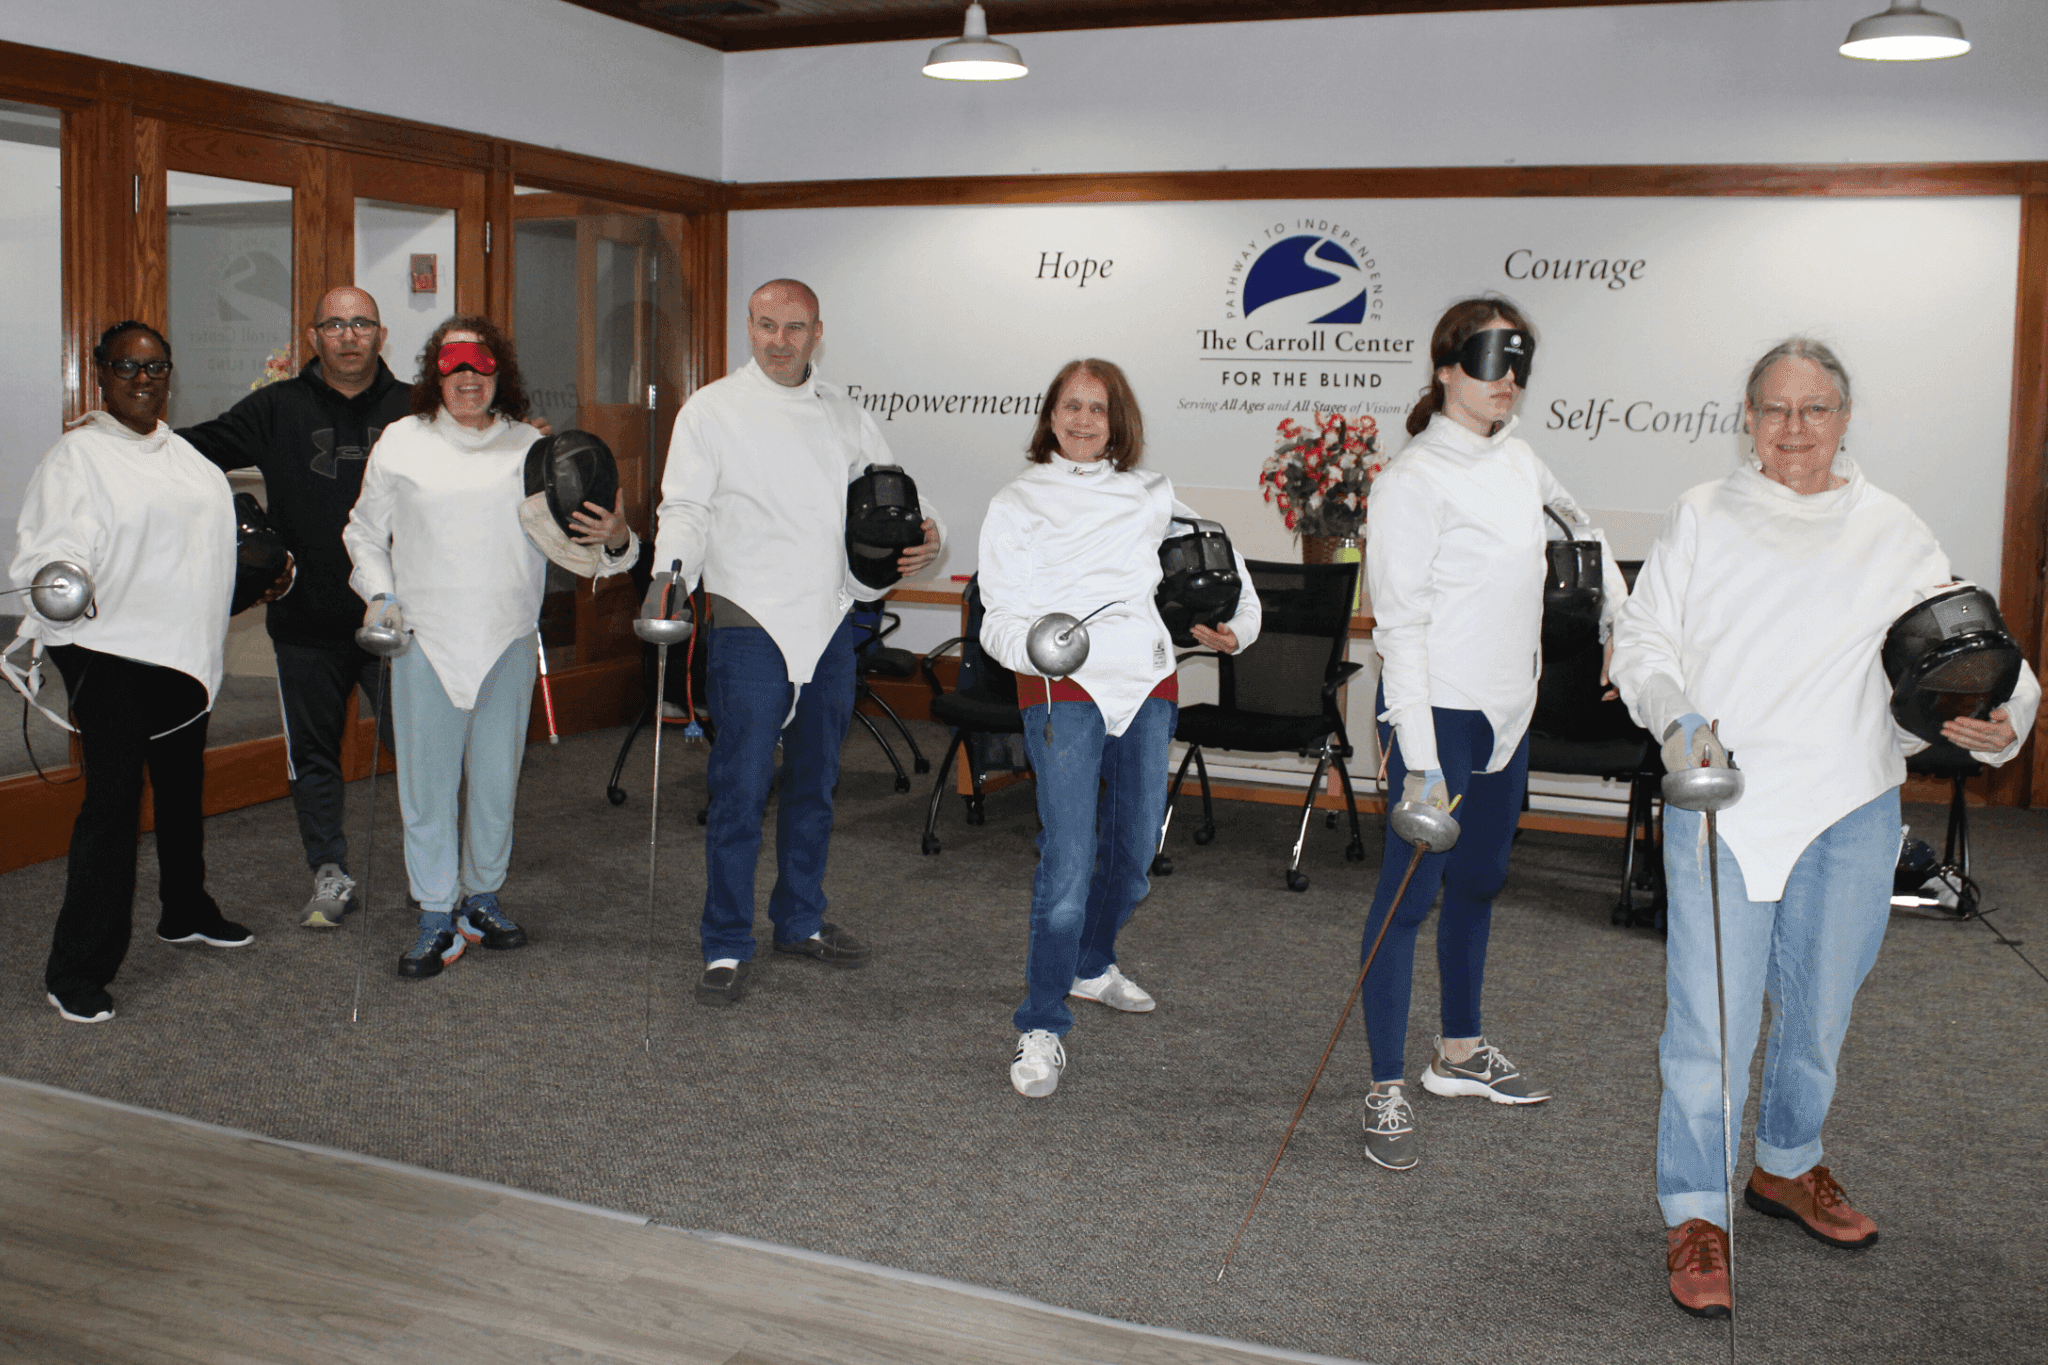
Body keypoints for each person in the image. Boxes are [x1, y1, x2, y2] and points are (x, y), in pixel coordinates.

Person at [1609, 337, 2038, 1319]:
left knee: (1816, 1018)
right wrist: (1673, 714)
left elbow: (1978, 644)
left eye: (1813, 410)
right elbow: (1642, 636)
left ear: (1843, 418)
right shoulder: (1701, 514)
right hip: (1724, 805)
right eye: (1772, 409)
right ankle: (1692, 1209)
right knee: (1706, 1032)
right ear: (1745, 420)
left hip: (1848, 811)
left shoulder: (1891, 530)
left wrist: (2000, 718)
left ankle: (1785, 1164)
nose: (1792, 429)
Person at [1358, 297, 1624, 1170]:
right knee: (1409, 895)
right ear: (1445, 368)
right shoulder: (1411, 480)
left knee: (1480, 880)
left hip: (1512, 711)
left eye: (1518, 363)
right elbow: (1397, 628)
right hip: (1439, 716)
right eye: (1487, 359)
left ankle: (1459, 1055)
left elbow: (1585, 530)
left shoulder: (1520, 461)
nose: (1505, 377)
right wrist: (1424, 764)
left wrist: (1618, 621)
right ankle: (1385, 1085)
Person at [651, 278, 942, 1007]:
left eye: (795, 327)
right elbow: (684, 506)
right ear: (748, 326)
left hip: (831, 621)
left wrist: (929, 533)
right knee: (741, 788)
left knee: (815, 784)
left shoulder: (845, 413)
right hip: (751, 619)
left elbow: (895, 491)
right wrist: (670, 575)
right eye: (766, 325)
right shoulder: (711, 410)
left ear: (819, 332)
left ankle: (799, 919)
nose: (779, 341)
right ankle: (724, 939)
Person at [978, 358, 1261, 1098]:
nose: (1082, 420)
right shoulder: (1018, 500)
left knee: (1133, 859)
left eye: (1096, 409)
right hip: (1063, 686)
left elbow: (1230, 561)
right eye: (1070, 406)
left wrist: (1240, 625)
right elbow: (998, 612)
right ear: (1049, 416)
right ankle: (1040, 1023)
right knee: (1068, 865)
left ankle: (1091, 964)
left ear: (1118, 421)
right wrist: (1035, 649)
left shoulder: (1150, 493)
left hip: (1148, 684)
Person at [343, 316, 635, 980]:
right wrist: (381, 593)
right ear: (434, 375)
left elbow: (584, 548)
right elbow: (363, 532)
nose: (467, 380)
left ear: (500, 372)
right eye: (453, 368)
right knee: (427, 785)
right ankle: (435, 912)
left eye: (479, 367)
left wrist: (616, 536)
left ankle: (481, 898)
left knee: (498, 781)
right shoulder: (402, 442)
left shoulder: (531, 450)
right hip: (425, 639)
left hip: (505, 636)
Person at [10, 321, 258, 1023]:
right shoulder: (77, 456)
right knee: (114, 801)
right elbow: (50, 548)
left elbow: (213, 546)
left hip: (179, 645)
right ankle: (77, 968)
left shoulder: (187, 459)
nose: (143, 378)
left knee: (181, 785)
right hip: (105, 646)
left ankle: (185, 908)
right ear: (100, 373)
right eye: (127, 365)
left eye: (155, 367)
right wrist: (66, 578)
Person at [178, 286, 412, 929]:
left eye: (360, 323)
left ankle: (437, 875)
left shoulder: (415, 408)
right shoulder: (276, 408)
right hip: (306, 622)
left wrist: (523, 442)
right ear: (313, 337)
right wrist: (117, 438)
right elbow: (190, 449)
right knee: (314, 756)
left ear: (380, 334)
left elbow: (481, 456)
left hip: (397, 621)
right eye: (334, 324)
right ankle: (329, 872)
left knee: (422, 752)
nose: (347, 335)